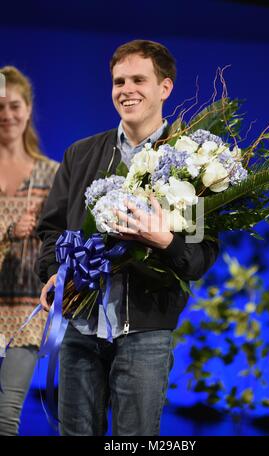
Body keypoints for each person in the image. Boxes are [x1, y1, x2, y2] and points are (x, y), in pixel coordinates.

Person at [36, 40, 219, 436]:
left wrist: (164, 240)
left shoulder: (195, 165)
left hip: (145, 336)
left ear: (165, 88)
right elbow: (51, 229)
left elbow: (199, 257)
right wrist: (54, 271)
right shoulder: (81, 154)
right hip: (80, 332)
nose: (126, 89)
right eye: (119, 81)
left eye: (139, 79)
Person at [0, 66, 59, 436]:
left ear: (28, 108)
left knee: (7, 414)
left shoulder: (51, 174)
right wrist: (8, 230)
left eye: (14, 105)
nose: (7, 115)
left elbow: (63, 239)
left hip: (24, 310)